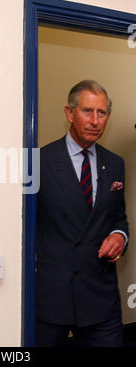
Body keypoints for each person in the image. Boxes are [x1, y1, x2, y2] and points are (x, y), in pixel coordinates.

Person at [35, 80, 129, 347]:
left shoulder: (114, 164)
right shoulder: (39, 162)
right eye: (88, 111)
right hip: (51, 298)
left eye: (102, 113)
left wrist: (120, 236)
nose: (95, 121)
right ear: (69, 113)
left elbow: (118, 217)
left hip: (100, 297)